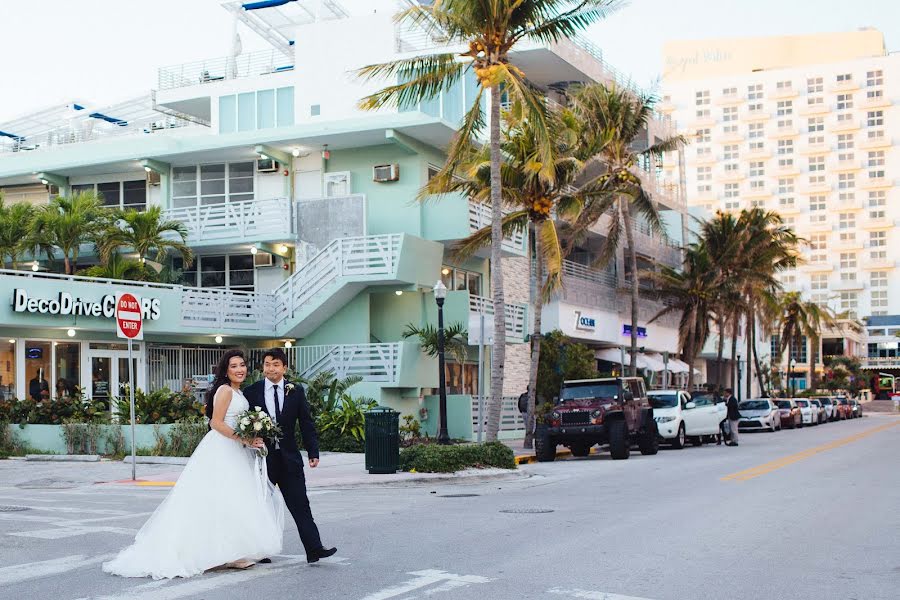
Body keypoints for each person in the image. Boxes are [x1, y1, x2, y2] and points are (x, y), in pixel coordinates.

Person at [103, 349, 284, 579]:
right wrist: (245, 438)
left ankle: (232, 551)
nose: (240, 370)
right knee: (220, 498)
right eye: (234, 366)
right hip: (221, 449)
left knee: (231, 499)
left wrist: (249, 439)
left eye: (242, 365)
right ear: (225, 371)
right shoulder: (225, 390)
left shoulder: (238, 392)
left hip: (235, 449)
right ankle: (221, 553)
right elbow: (215, 423)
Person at [243, 348, 337, 564]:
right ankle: (260, 551)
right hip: (262, 459)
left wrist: (313, 452)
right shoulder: (252, 391)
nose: (270, 368)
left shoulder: (296, 391)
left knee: (300, 504)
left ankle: (314, 548)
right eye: (267, 364)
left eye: (275, 364)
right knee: (261, 505)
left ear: (284, 368)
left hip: (290, 459)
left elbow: (306, 422)